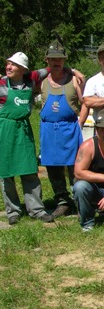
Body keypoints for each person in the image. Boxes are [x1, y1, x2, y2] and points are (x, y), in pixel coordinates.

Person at [1, 52, 55, 224]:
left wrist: (71, 70)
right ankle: (13, 212)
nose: (9, 67)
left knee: (29, 170)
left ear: (23, 69)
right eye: (8, 64)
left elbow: (49, 69)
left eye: (13, 65)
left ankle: (37, 210)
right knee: (6, 172)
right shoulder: (1, 83)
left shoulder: (31, 80)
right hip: (4, 130)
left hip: (23, 130)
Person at [40, 41, 85, 217]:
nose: (56, 62)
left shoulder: (74, 80)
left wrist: (80, 122)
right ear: (47, 61)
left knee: (75, 167)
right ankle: (62, 202)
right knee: (53, 168)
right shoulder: (42, 81)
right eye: (52, 59)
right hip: (49, 131)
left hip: (70, 128)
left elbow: (85, 103)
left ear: (64, 60)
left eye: (59, 58)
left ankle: (80, 200)